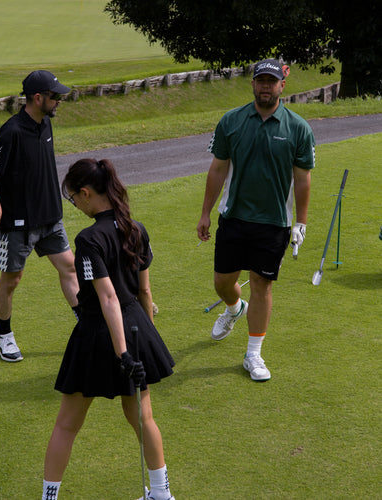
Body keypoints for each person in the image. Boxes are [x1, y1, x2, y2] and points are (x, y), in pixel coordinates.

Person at [42, 159, 175, 500]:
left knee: (66, 424)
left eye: (74, 199)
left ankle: (49, 498)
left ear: (86, 193)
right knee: (143, 419)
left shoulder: (88, 239)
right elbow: (144, 292)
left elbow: (108, 297)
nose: (75, 205)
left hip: (99, 335)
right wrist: (146, 338)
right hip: (135, 328)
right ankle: (161, 494)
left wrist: (125, 355)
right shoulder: (136, 227)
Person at [196, 59, 315, 382]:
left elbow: (302, 179)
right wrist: (206, 212)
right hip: (234, 217)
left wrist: (300, 223)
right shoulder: (232, 121)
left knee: (262, 285)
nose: (265, 86)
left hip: (274, 222)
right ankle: (235, 308)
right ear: (252, 84)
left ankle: (253, 354)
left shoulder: (298, 128)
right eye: (260, 80)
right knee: (223, 282)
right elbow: (218, 169)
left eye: (271, 81)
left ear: (282, 86)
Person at [0, 70, 79, 362]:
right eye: (55, 96)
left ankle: (86, 324)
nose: (59, 101)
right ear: (38, 98)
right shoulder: (11, 132)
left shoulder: (46, 123)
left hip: (50, 218)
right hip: (18, 225)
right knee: (12, 279)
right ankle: (4, 337)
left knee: (69, 268)